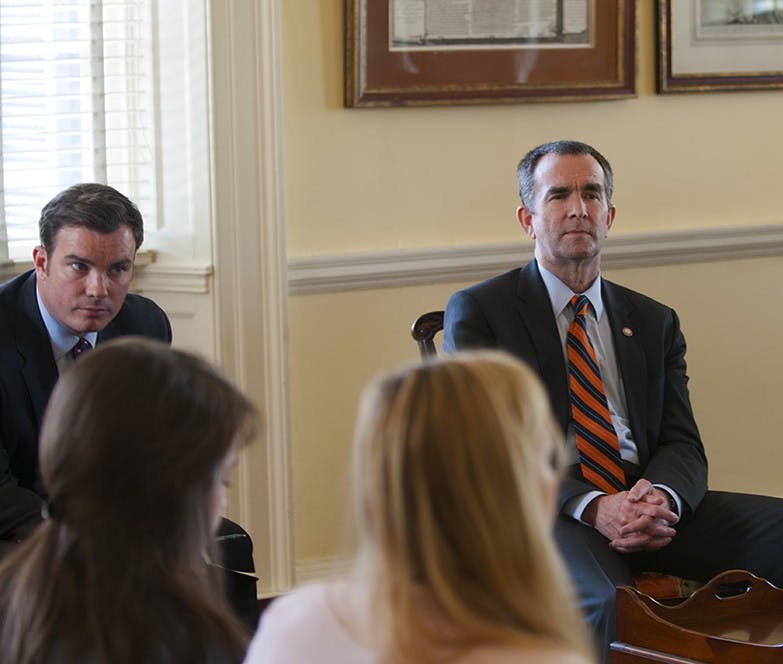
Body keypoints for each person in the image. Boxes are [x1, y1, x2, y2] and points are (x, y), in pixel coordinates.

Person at [443, 140, 783, 660]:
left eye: (591, 194)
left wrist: (659, 498)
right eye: (558, 196)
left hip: (648, 507)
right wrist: (595, 506)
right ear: (528, 219)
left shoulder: (653, 320)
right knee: (610, 606)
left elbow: (683, 443)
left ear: (609, 215)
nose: (578, 208)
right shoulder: (482, 312)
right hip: (548, 510)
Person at [0, 182, 258, 627]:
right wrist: (87, 540)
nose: (99, 289)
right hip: (19, 524)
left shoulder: (145, 323)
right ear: (42, 262)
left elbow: (154, 450)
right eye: (78, 267)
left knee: (223, 552)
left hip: (112, 517)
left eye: (118, 269)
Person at [245, 352, 594, 664]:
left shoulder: (298, 621)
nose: (554, 478)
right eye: (548, 459)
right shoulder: (542, 657)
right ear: (509, 490)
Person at [0, 338, 258, 663]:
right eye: (222, 479)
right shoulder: (188, 639)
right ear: (167, 489)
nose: (222, 502)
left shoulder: (20, 595)